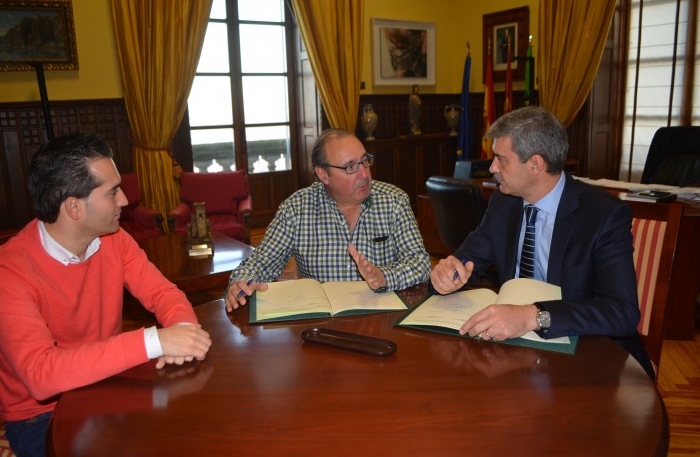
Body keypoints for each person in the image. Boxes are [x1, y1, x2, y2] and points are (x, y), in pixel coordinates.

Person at [0, 133, 212, 456]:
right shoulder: (9, 272)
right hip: (40, 416)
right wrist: (155, 341)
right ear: (74, 207)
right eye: (112, 192)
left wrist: (183, 330)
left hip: (108, 385)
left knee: (187, 435)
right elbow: (42, 375)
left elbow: (163, 293)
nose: (124, 200)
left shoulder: (113, 238)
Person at [430, 106, 655, 378]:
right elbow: (467, 261)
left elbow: (622, 313)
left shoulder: (603, 215)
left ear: (535, 164)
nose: (492, 169)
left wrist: (532, 316)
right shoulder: (504, 202)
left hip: (590, 360)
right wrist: (447, 273)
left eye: (501, 160)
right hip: (514, 354)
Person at [225, 128, 431, 311]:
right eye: (350, 167)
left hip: (381, 315)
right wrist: (242, 281)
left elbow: (420, 263)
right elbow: (262, 262)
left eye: (365, 161)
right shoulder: (296, 209)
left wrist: (384, 277)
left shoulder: (393, 201)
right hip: (320, 322)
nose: (364, 174)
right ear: (323, 174)